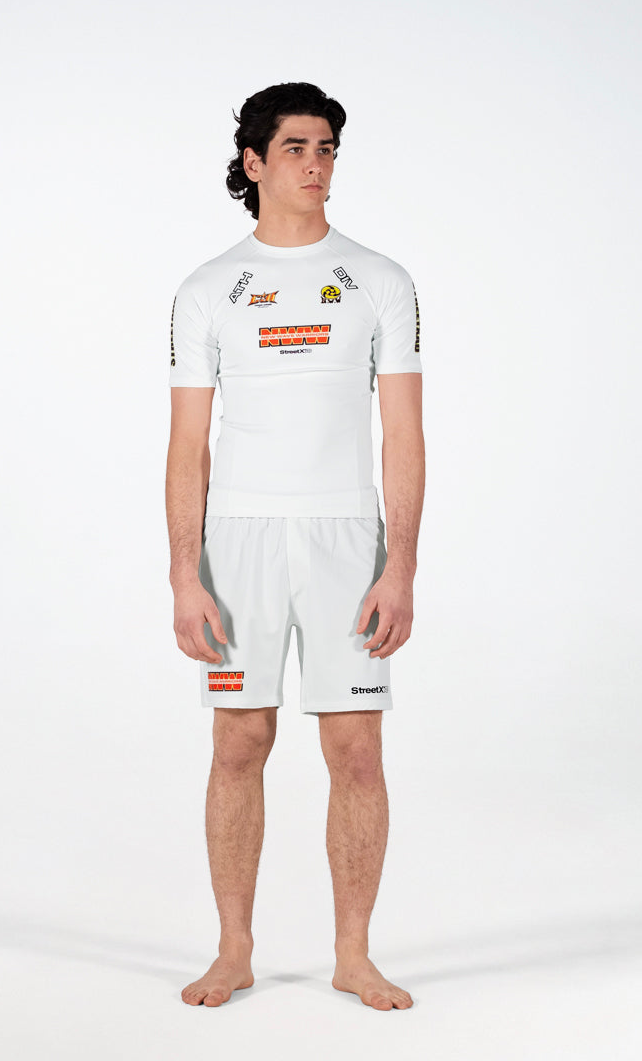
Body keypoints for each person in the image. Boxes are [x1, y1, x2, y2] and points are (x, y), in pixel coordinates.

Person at [165, 82, 424, 1011]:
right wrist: (183, 574)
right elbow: (187, 445)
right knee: (240, 741)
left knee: (356, 749)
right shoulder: (208, 290)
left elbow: (404, 434)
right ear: (254, 162)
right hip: (240, 537)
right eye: (298, 149)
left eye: (327, 150)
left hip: (346, 534)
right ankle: (234, 949)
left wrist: (400, 565)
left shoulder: (379, 280)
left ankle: (353, 953)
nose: (317, 165)